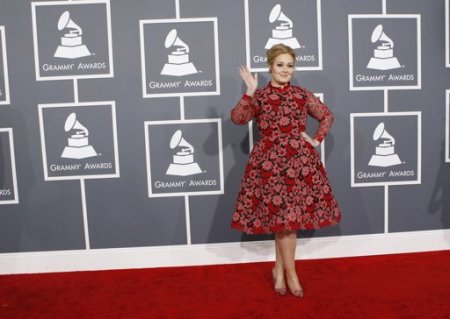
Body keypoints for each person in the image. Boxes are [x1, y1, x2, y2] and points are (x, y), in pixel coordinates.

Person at [230, 44, 341, 298]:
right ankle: (287, 273)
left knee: (288, 223)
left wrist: (316, 139)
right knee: (282, 223)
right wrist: (249, 92)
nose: (285, 70)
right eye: (280, 65)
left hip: (298, 164)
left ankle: (283, 272)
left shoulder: (301, 95)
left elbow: (326, 116)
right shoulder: (259, 96)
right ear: (270, 66)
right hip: (268, 166)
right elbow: (237, 118)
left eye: (290, 65)